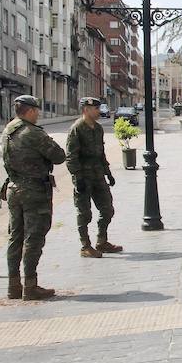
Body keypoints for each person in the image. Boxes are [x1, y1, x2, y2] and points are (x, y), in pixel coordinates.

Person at [0, 94, 66, 300]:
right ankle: (30, 285)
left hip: (13, 188)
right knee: (34, 237)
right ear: (30, 111)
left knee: (15, 237)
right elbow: (59, 156)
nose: (38, 114)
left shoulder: (8, 129)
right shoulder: (32, 132)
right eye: (36, 110)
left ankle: (13, 286)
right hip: (34, 192)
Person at [66, 96, 121, 258]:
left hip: (98, 175)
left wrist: (108, 173)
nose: (99, 111)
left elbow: (101, 153)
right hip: (83, 177)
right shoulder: (77, 129)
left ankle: (101, 241)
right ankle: (85, 246)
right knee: (84, 213)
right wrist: (78, 178)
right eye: (96, 109)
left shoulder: (98, 128)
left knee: (107, 209)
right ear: (86, 110)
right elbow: (71, 156)